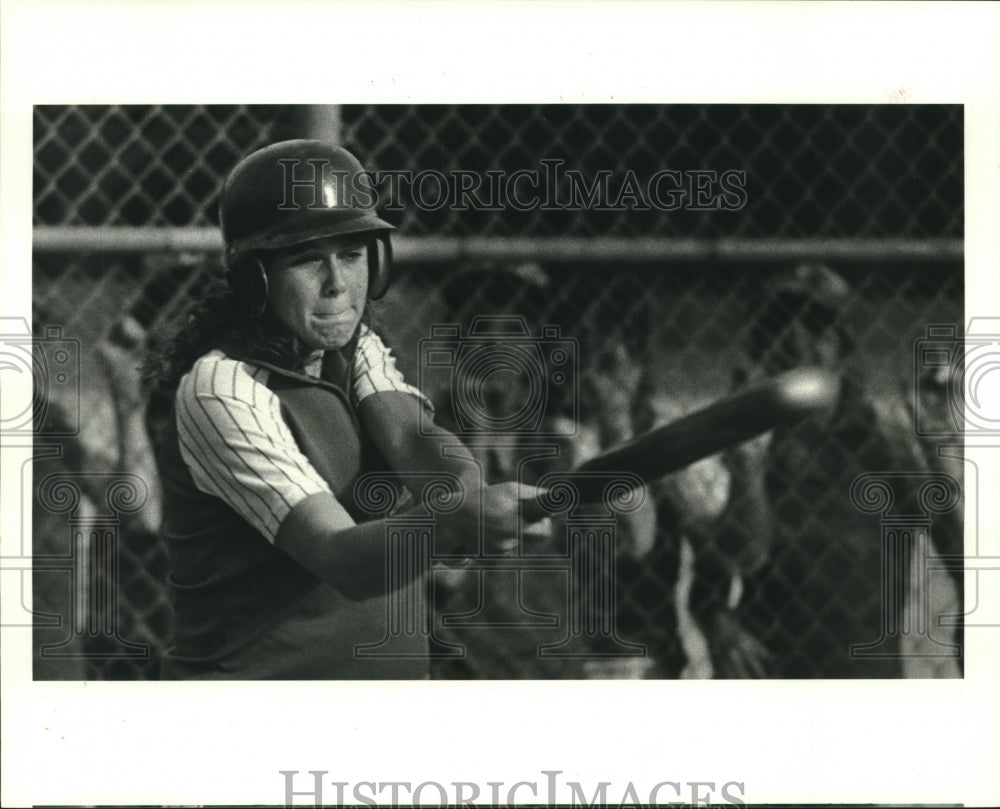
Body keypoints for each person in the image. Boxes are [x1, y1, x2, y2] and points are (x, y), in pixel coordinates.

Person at [146, 140, 534, 679]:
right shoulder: (223, 388)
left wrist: (465, 498)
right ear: (254, 278)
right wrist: (454, 524)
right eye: (308, 260)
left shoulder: (353, 348)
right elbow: (341, 558)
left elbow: (417, 442)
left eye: (351, 256)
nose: (337, 285)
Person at [698, 264, 961, 678]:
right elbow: (712, 570)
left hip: (862, 679)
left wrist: (942, 447)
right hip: (773, 676)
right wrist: (717, 620)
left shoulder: (882, 443)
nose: (796, 344)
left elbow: (956, 544)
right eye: (778, 329)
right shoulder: (754, 439)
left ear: (842, 348)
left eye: (816, 329)